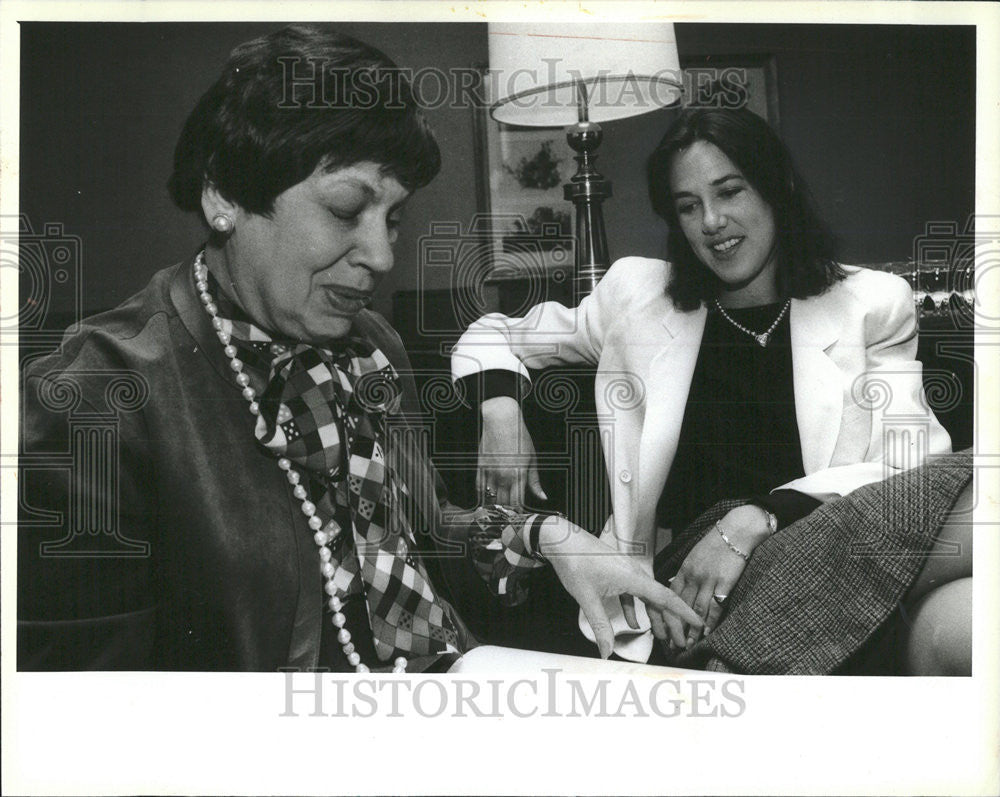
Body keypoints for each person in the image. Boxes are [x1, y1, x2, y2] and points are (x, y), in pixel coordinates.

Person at [17, 25, 703, 672]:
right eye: (347, 209)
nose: (379, 254)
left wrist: (547, 537)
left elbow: (422, 537)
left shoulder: (372, 342)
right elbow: (84, 718)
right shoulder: (94, 396)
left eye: (395, 218)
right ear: (224, 195)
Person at [451, 105, 972, 674]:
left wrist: (755, 519)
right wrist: (501, 411)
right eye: (688, 206)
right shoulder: (637, 294)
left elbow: (913, 464)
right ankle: (742, 647)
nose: (712, 221)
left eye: (730, 192)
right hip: (688, 583)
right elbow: (494, 334)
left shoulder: (872, 302)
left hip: (815, 550)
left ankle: (746, 648)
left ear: (777, 189)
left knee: (971, 540)